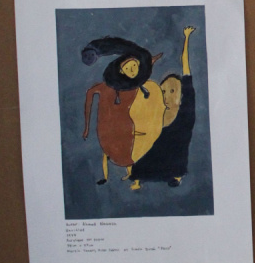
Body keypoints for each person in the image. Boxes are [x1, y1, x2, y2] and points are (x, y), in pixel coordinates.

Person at [81, 37, 162, 184]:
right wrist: (86, 127)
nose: (132, 69)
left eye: (135, 67)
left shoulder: (137, 88)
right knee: (111, 152)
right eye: (129, 67)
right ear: (120, 69)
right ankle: (109, 176)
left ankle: (132, 175)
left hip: (127, 132)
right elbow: (90, 94)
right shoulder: (107, 87)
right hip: (110, 131)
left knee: (126, 154)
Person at [129, 26, 196, 190]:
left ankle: (175, 177)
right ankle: (138, 179)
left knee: (175, 158)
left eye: (172, 91)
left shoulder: (186, 112)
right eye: (164, 91)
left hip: (175, 162)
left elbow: (186, 70)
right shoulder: (157, 112)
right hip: (153, 158)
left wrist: (186, 38)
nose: (166, 95)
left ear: (181, 96)